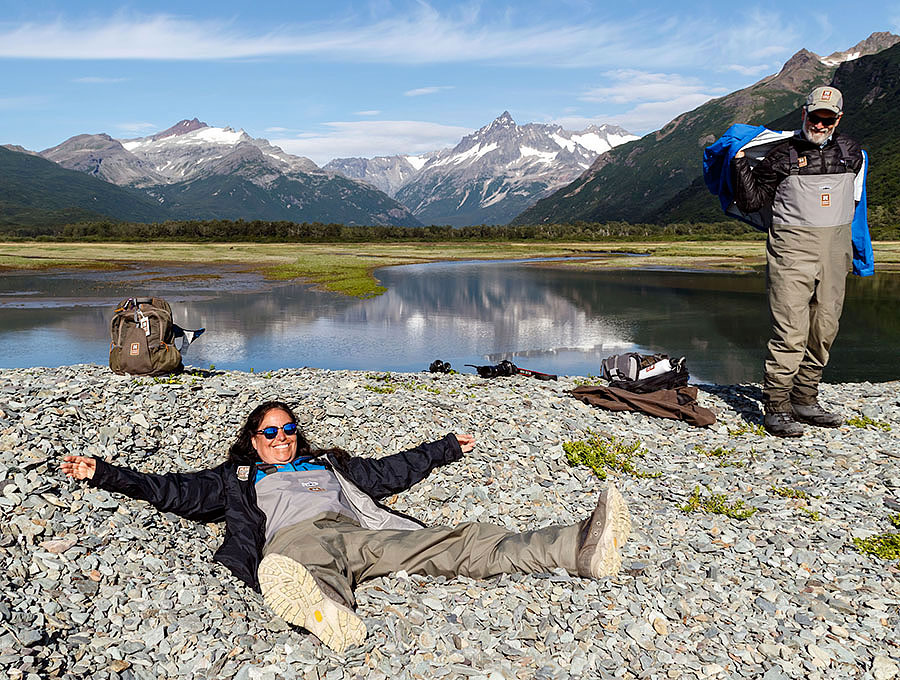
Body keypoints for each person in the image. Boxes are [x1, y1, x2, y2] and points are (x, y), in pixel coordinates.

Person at [61, 400, 632, 653]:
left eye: (287, 431)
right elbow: (175, 490)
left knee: (460, 541)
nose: (280, 438)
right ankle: (327, 611)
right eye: (268, 433)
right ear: (252, 441)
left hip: (363, 529)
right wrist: (106, 473)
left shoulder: (329, 464)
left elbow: (388, 473)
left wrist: (446, 448)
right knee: (305, 564)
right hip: (296, 537)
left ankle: (577, 547)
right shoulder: (238, 477)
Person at [731, 85, 865, 437]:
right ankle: (776, 405)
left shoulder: (853, 154)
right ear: (804, 115)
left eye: (828, 119)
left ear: (838, 119)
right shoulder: (781, 155)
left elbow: (856, 204)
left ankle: (805, 398)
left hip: (836, 251)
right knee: (790, 329)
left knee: (825, 328)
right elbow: (751, 201)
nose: (820, 125)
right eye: (815, 117)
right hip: (791, 250)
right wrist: (740, 165)